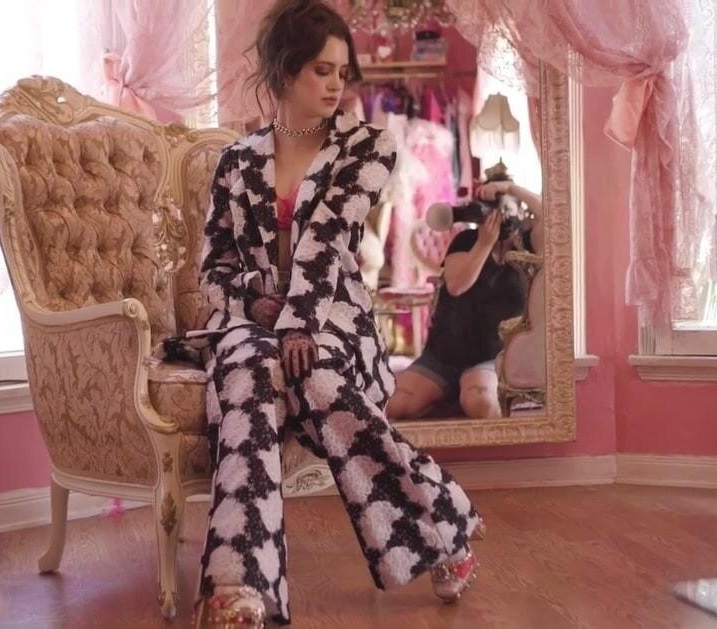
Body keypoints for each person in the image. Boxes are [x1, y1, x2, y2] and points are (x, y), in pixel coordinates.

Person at [186, 1, 482, 626]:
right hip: (249, 321)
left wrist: (296, 319)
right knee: (252, 372)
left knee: (314, 374)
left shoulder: (367, 147)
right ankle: (240, 589)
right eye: (321, 70)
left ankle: (441, 526)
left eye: (342, 73)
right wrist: (256, 302)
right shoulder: (235, 162)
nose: (335, 85)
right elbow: (212, 269)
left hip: (332, 316)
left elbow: (324, 237)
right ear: (284, 70)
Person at [386, 175, 541, 420]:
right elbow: (457, 286)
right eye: (492, 211)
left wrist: (511, 188)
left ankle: (461, 395)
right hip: (445, 352)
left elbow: (557, 217)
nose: (498, 217)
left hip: (493, 354)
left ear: (520, 213)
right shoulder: (466, 241)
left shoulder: (528, 244)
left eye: (505, 210)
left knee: (480, 402)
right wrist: (484, 244)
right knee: (398, 404)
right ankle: (447, 393)